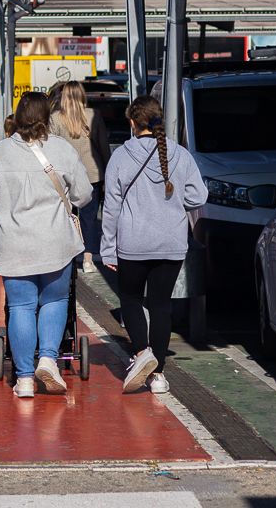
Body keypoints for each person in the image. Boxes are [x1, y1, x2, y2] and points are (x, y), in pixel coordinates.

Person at [0, 91, 94, 398]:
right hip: (55, 241)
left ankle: (25, 378)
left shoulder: (0, 152)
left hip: (15, 242)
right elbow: (83, 194)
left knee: (21, 306)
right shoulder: (62, 149)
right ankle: (48, 359)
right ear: (47, 117)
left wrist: (8, 207)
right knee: (55, 300)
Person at [99, 95, 207, 396]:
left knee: (131, 299)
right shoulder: (180, 155)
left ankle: (142, 353)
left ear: (132, 122)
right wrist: (174, 201)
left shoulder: (121, 156)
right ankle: (158, 373)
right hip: (170, 242)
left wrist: (107, 247)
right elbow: (198, 196)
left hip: (132, 242)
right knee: (161, 305)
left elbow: (111, 207)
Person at [48, 80, 103, 256]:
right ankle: (88, 257)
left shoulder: (56, 118)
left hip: (64, 175)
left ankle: (69, 255)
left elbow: (50, 148)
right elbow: (102, 146)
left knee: (66, 216)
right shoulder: (93, 115)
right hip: (92, 173)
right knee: (89, 217)